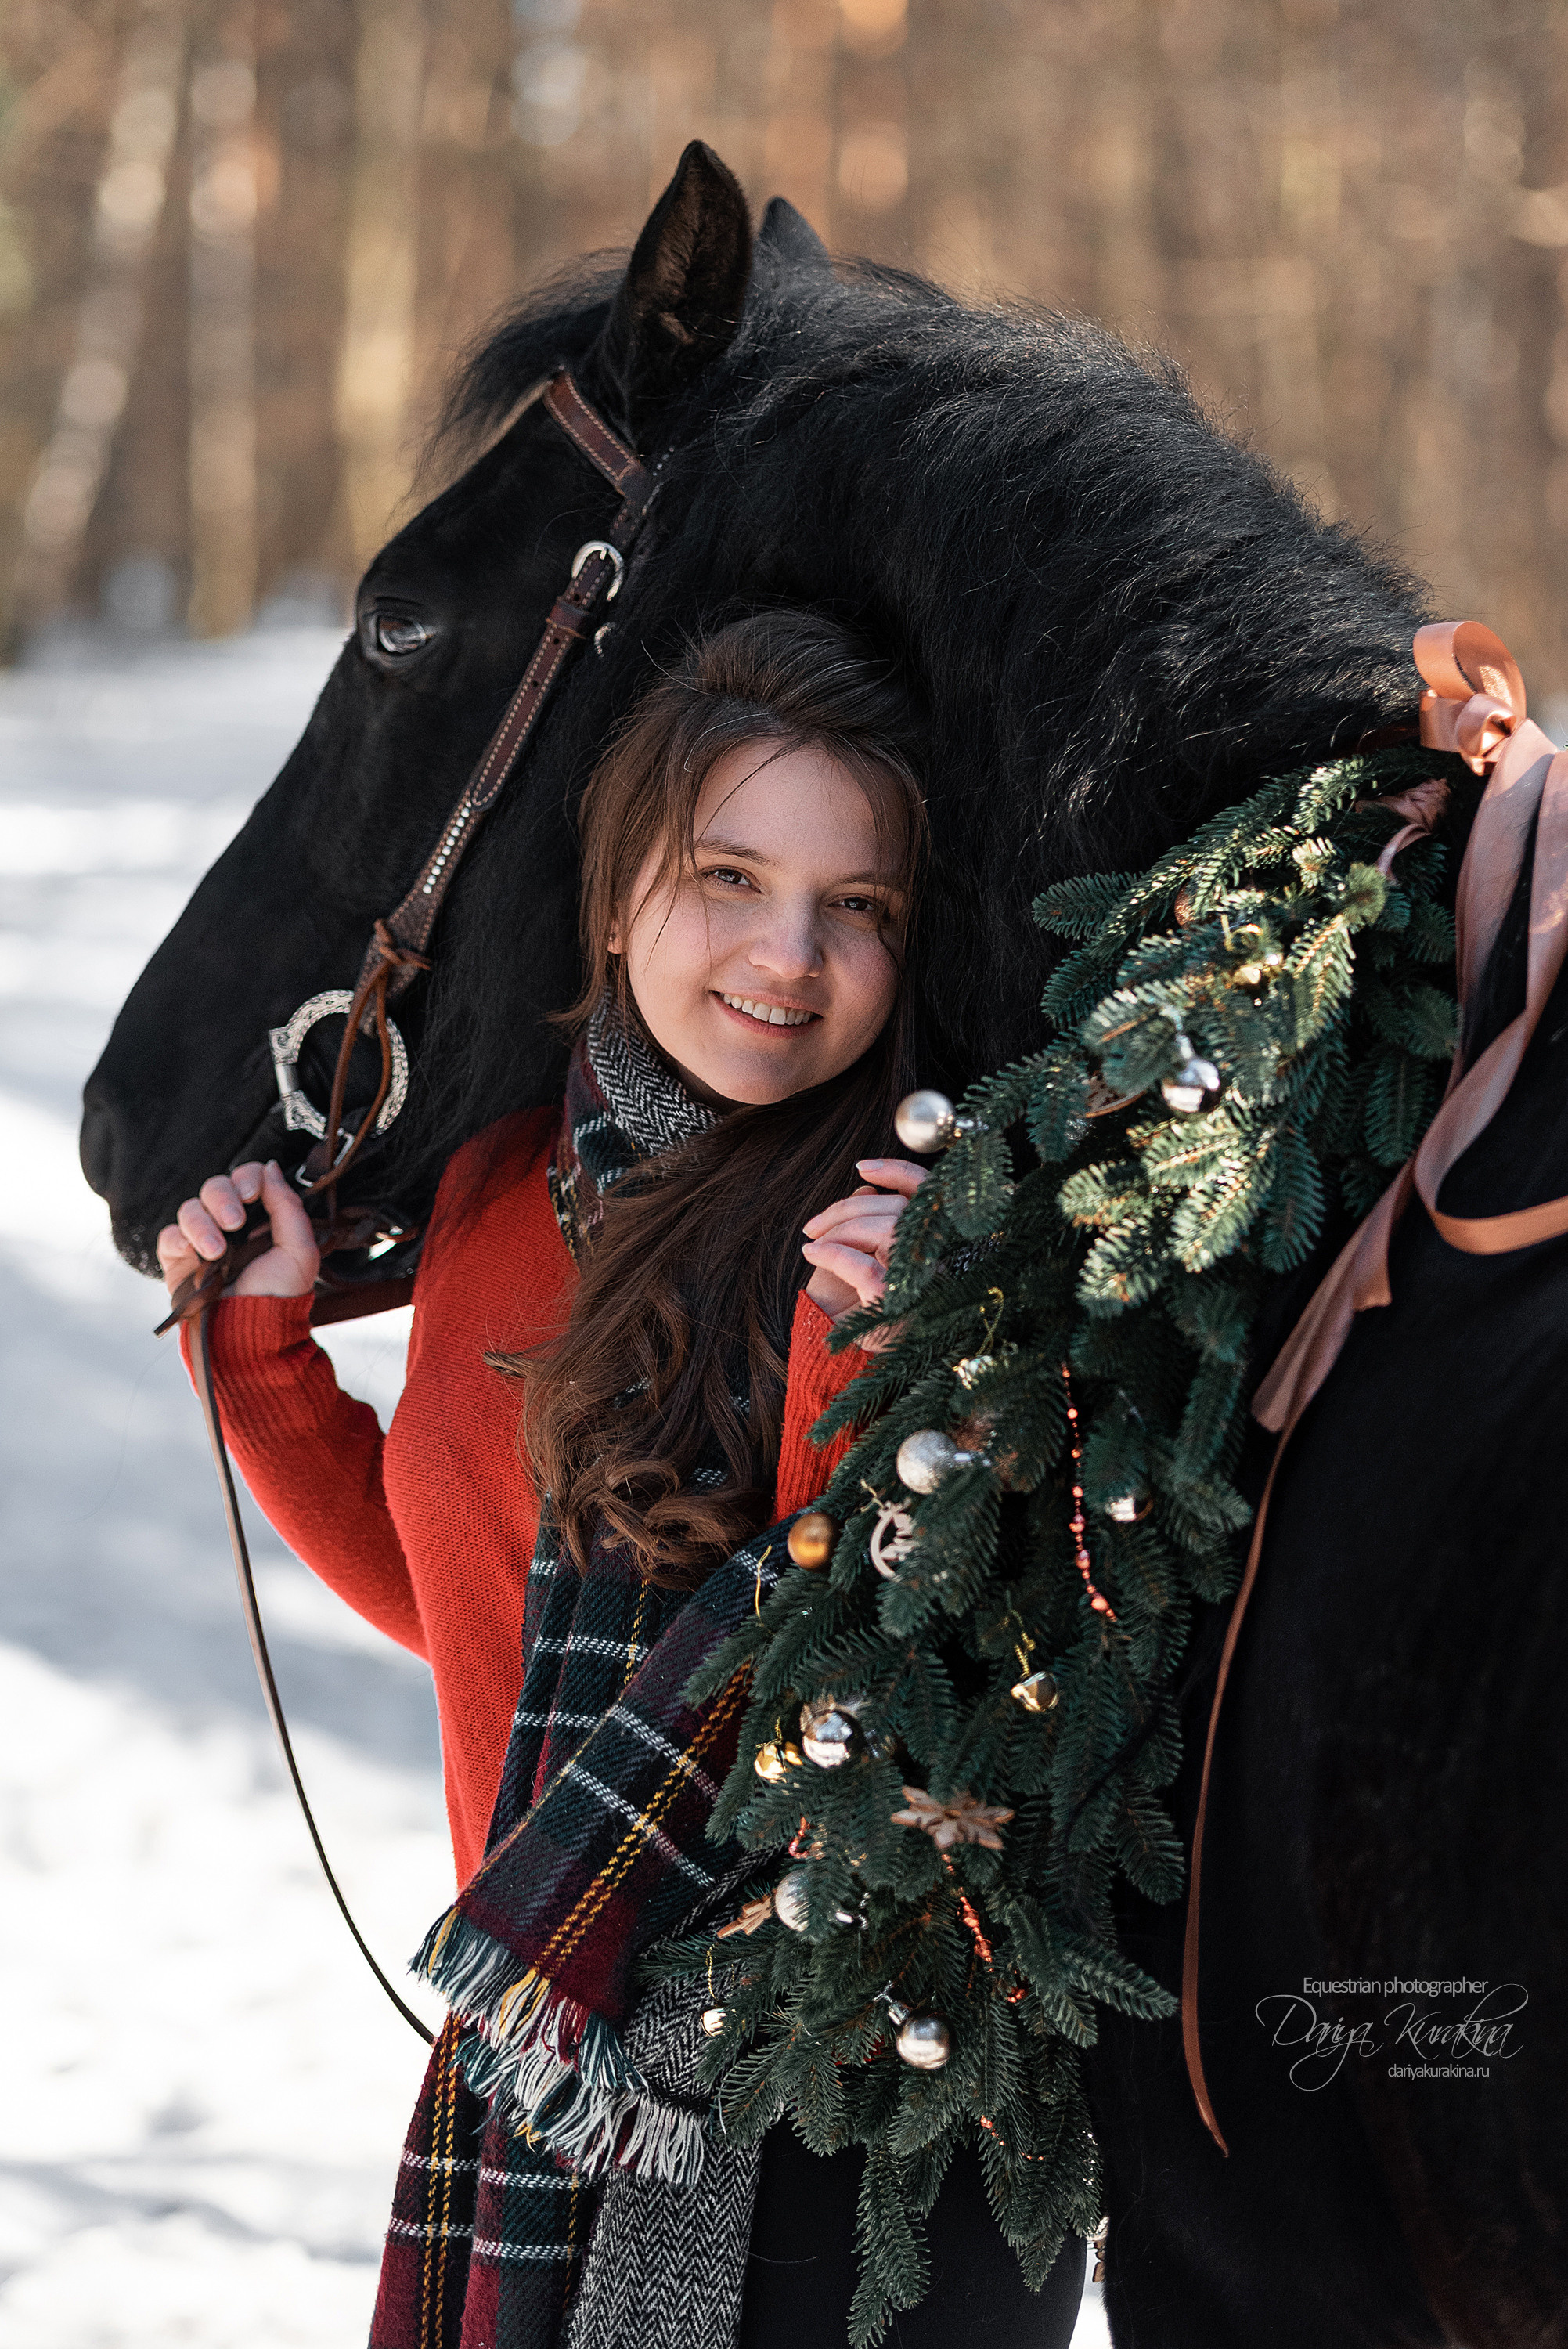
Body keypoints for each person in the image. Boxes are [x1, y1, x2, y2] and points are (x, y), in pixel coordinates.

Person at [157, 612, 1086, 2347]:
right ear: (612, 894)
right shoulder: (505, 1191)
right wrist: (271, 1366)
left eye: (856, 907)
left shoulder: (919, 1217)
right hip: (553, 2063)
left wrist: (899, 1355)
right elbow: (473, 1602)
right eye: (730, 875)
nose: (789, 954)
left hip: (849, 2126)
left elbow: (845, 1655)